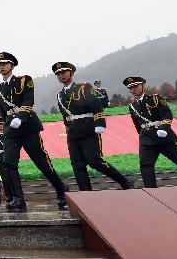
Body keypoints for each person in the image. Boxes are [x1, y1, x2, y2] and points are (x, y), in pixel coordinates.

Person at [0, 52, 68, 212]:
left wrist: (20, 117)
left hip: (27, 126)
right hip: (11, 130)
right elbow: (2, 110)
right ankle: (19, 200)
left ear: (12, 66)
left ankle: (61, 190)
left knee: (41, 161)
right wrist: (6, 123)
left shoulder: (24, 80)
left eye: (5, 64)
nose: (2, 67)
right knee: (9, 163)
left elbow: (28, 100)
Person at [53, 62, 132, 191]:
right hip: (73, 132)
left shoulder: (83, 87)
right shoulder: (59, 95)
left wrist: (100, 124)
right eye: (58, 74)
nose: (61, 75)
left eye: (64, 72)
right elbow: (65, 115)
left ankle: (124, 181)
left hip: (88, 128)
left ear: (71, 73)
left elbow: (96, 105)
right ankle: (86, 193)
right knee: (77, 164)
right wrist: (68, 129)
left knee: (95, 161)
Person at [123, 76, 177, 188]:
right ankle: (152, 192)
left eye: (136, 86)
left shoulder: (156, 98)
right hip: (147, 140)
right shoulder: (132, 106)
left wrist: (163, 128)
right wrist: (142, 135)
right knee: (145, 165)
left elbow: (167, 115)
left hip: (163, 136)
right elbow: (137, 124)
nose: (133, 89)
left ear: (143, 86)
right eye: (130, 88)